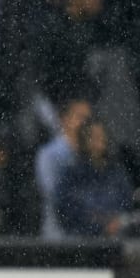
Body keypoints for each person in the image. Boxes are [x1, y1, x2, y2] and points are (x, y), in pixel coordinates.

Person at [34, 97, 93, 240]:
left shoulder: (91, 154)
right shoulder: (49, 154)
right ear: (64, 119)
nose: (84, 123)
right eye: (80, 117)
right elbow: (52, 193)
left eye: (88, 119)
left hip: (90, 234)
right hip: (58, 234)